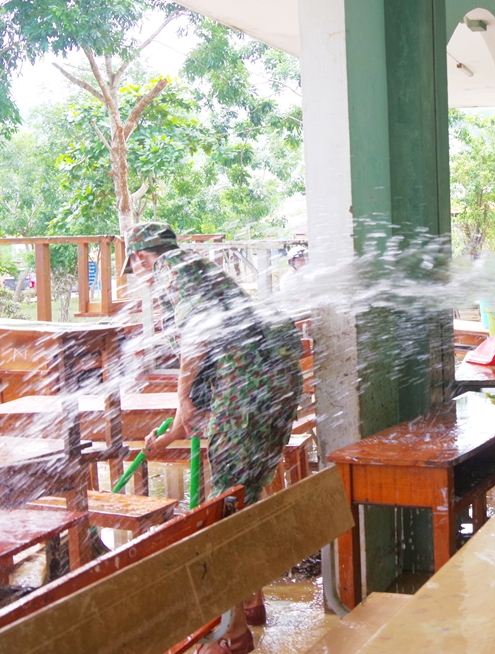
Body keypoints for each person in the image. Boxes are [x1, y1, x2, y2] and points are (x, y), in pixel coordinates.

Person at [124, 222, 304, 654]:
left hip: (248, 393)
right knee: (246, 496)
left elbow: (199, 335)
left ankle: (233, 635)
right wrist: (170, 434)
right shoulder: (203, 269)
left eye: (136, 265)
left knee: (223, 514)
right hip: (272, 388)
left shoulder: (172, 268)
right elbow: (206, 393)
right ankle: (251, 601)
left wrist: (181, 395)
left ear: (140, 258)